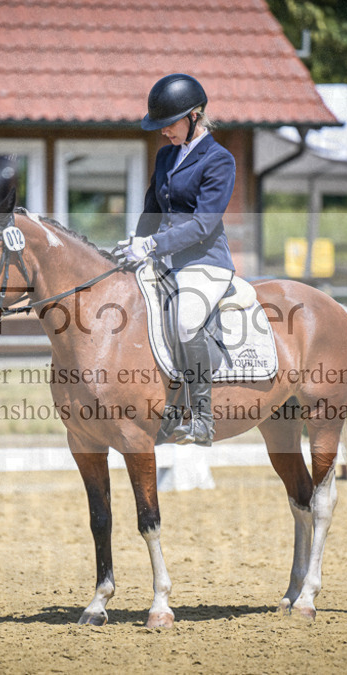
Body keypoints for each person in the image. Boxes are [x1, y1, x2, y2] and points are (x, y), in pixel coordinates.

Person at [117, 73, 236, 446]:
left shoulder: (220, 160)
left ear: (195, 117)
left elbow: (203, 224)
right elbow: (152, 206)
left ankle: (201, 418)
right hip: (165, 259)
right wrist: (134, 244)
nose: (164, 133)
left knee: (186, 322)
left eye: (169, 125)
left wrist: (151, 246)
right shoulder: (166, 155)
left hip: (205, 262)